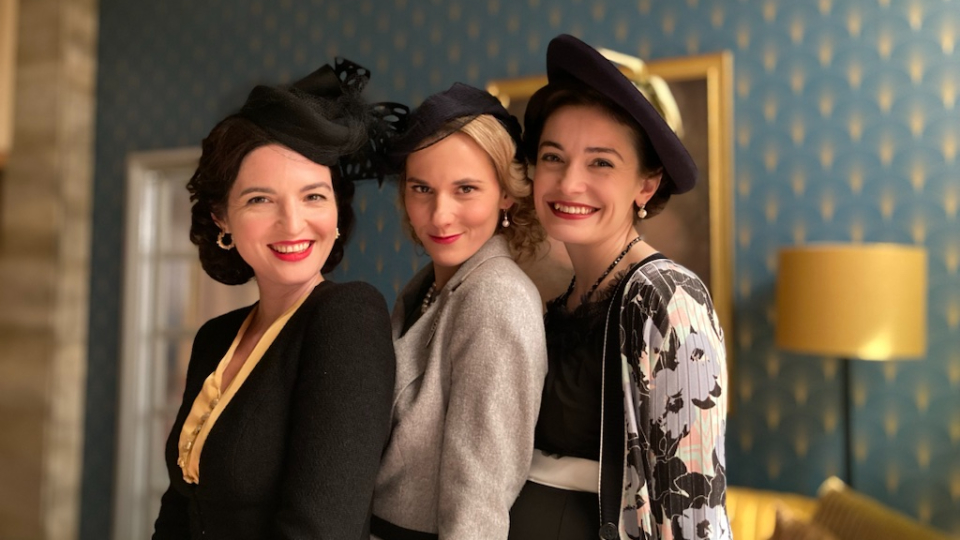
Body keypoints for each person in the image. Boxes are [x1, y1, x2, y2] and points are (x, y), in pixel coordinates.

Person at [153, 59, 400, 540]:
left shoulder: (347, 318)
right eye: (260, 200)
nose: (292, 223)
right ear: (221, 217)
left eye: (313, 196)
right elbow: (178, 509)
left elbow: (321, 529)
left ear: (336, 209)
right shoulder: (215, 338)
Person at [508, 35, 731, 540]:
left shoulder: (668, 298)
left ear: (646, 185)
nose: (569, 183)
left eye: (601, 162)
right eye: (553, 157)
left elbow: (695, 510)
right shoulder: (560, 302)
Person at [370, 83, 548, 540]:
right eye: (422, 189)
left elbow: (480, 501)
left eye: (465, 189)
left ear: (506, 193)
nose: (439, 215)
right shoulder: (429, 287)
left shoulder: (497, 298)